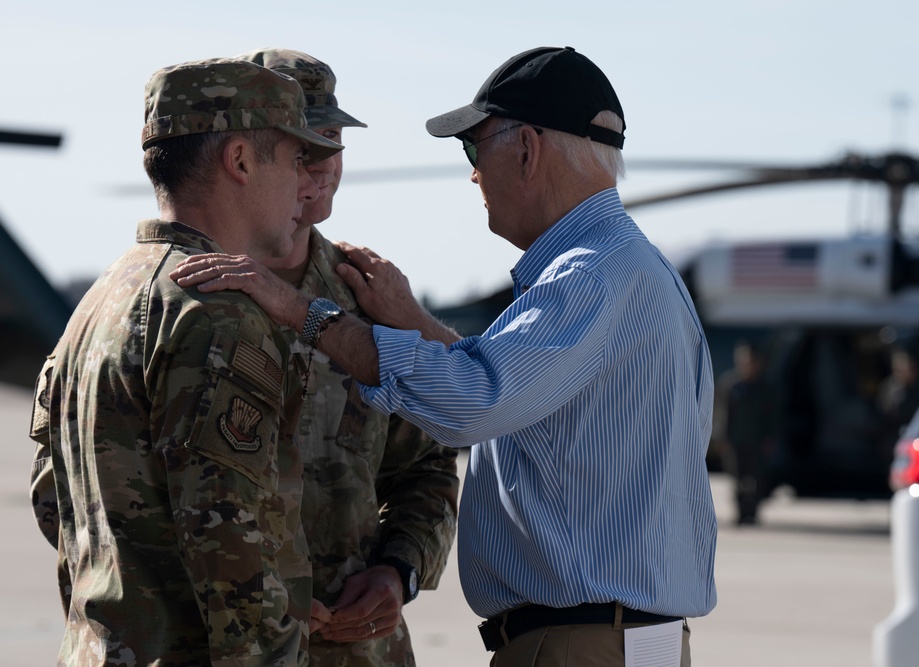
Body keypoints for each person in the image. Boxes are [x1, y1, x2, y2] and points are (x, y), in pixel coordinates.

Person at [171, 46, 718, 667]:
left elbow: (468, 405)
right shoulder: (626, 270)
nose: (474, 175)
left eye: (473, 150)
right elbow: (511, 391)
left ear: (528, 150)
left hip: (583, 642)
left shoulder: (590, 277)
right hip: (626, 639)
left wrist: (308, 314)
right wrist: (412, 322)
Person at [27, 57, 342, 665]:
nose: (305, 183)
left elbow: (53, 503)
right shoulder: (215, 312)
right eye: (293, 158)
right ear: (242, 160)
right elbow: (231, 548)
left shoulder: (101, 300)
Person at [235, 47, 460, 667]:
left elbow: (429, 464)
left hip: (360, 651)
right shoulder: (186, 296)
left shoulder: (369, 296)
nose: (319, 166)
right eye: (299, 146)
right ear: (243, 158)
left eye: (330, 141)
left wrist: (399, 570)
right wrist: (243, 587)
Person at [718, 341, 780, 525]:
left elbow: (774, 416)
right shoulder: (731, 385)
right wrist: (722, 438)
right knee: (738, 478)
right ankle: (740, 513)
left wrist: (771, 438)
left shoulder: (766, 387)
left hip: (757, 440)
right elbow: (723, 414)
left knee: (757, 479)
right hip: (736, 440)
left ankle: (753, 513)